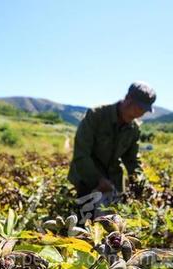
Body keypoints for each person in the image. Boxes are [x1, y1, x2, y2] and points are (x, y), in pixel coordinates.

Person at [67, 82, 156, 221]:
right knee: (84, 223)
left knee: (112, 224)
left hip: (112, 180)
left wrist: (141, 182)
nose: (141, 113)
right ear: (128, 98)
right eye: (139, 107)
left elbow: (132, 160)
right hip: (87, 176)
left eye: (144, 110)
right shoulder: (97, 115)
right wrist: (98, 180)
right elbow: (81, 154)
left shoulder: (134, 128)